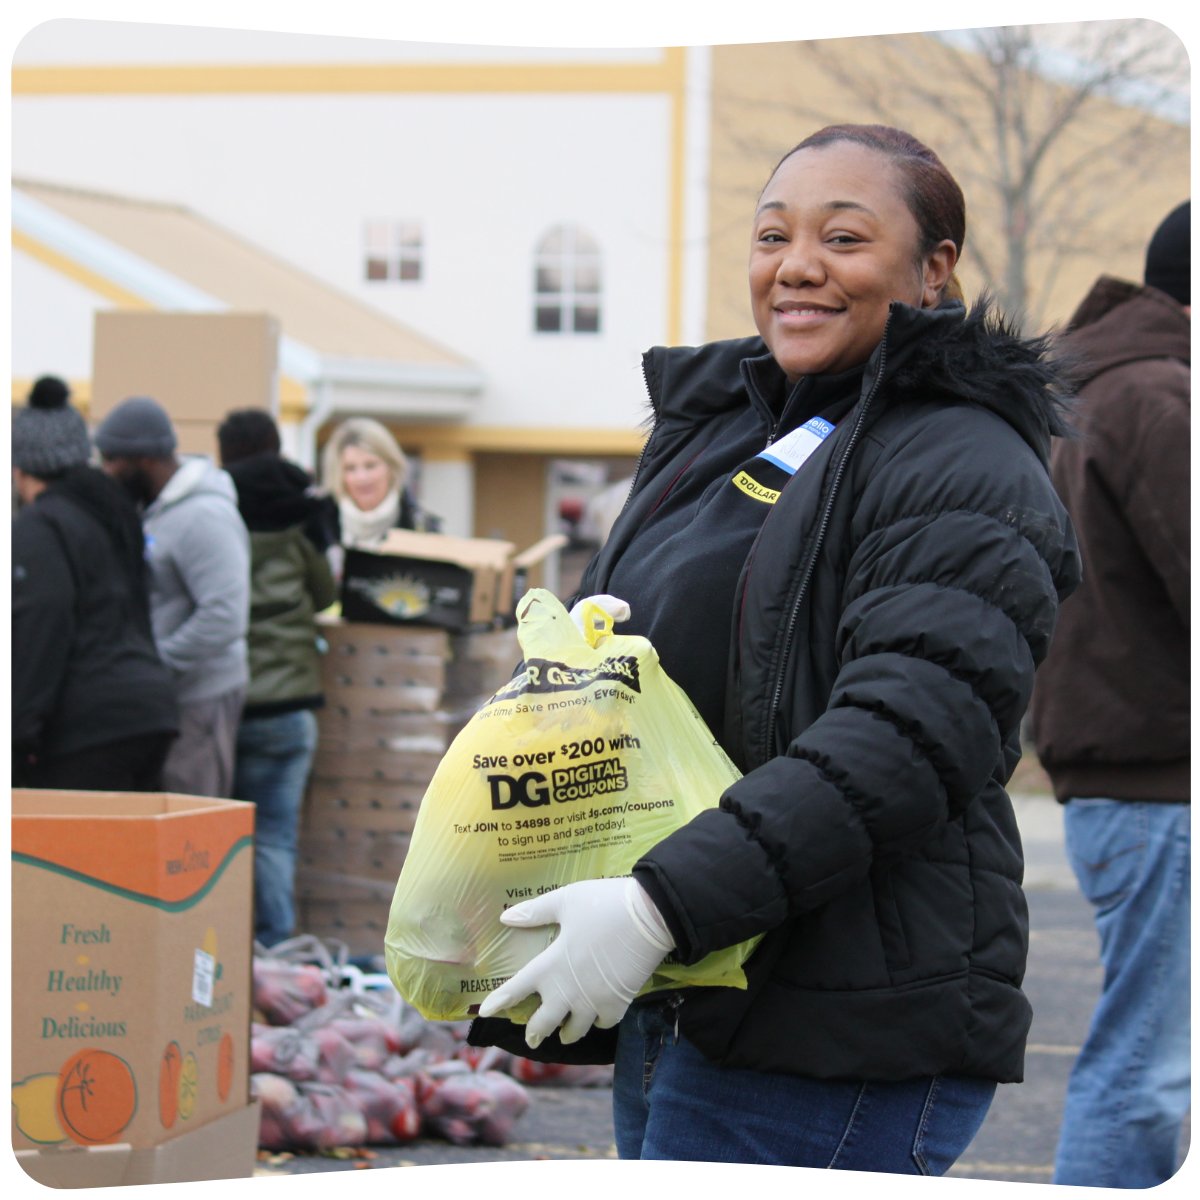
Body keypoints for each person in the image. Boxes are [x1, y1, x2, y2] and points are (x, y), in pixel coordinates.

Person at [472, 124, 1082, 1173]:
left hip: (834, 1017)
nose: (796, 265)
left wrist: (660, 904)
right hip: (692, 979)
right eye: (772, 235)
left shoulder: (960, 461)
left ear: (933, 270)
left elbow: (906, 734)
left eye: (843, 238)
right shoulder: (727, 436)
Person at [1029, 201, 1190, 1189]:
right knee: (1146, 1068)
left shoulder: (1097, 388)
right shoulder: (1155, 399)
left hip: (1123, 774)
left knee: (1147, 1059)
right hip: (1157, 782)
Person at [11, 376, 179, 789]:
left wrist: (18, 733)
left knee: (66, 854)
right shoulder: (112, 514)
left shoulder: (41, 526)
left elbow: (42, 622)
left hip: (86, 727)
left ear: (20, 469)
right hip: (149, 711)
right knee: (127, 852)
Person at [217, 408, 338, 947]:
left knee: (214, 836)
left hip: (222, 703)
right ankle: (272, 952)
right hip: (288, 702)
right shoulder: (303, 513)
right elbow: (325, 595)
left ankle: (215, 942)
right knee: (274, 839)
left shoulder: (212, 510)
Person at [94, 396, 250, 798]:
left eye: (113, 461)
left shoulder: (203, 517)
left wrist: (157, 664)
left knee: (192, 826)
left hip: (201, 697)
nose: (106, 472)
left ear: (145, 460)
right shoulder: (161, 510)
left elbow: (226, 614)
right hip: (174, 696)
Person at [321, 417, 439, 564]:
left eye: (370, 465)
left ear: (391, 467)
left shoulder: (421, 527)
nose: (362, 478)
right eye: (350, 468)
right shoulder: (318, 525)